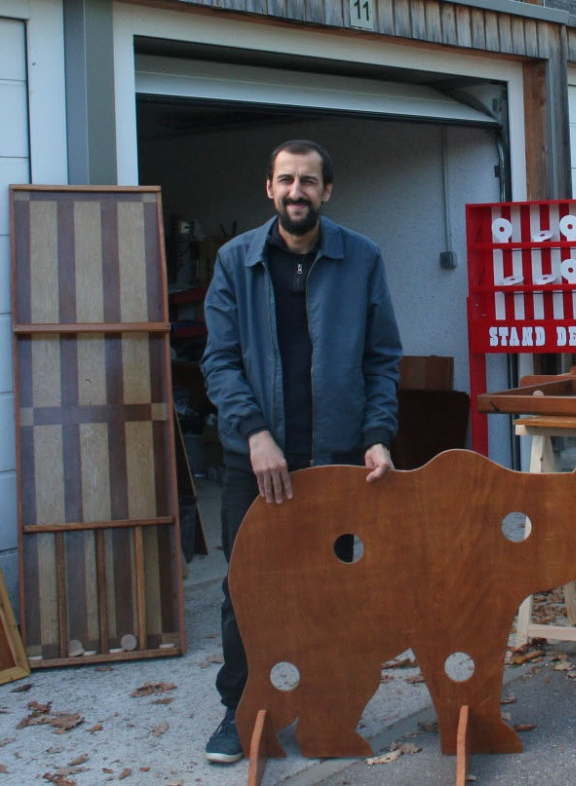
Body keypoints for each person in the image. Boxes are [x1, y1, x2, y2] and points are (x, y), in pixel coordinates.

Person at [199, 139, 403, 764]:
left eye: (308, 181)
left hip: (337, 461)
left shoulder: (361, 259)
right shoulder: (235, 262)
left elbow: (381, 360)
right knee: (247, 590)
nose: (296, 192)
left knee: (334, 590)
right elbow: (220, 361)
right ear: (269, 188)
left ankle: (324, 708)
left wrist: (377, 436)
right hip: (253, 463)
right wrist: (254, 431)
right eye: (285, 180)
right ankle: (243, 713)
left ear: (327, 191)